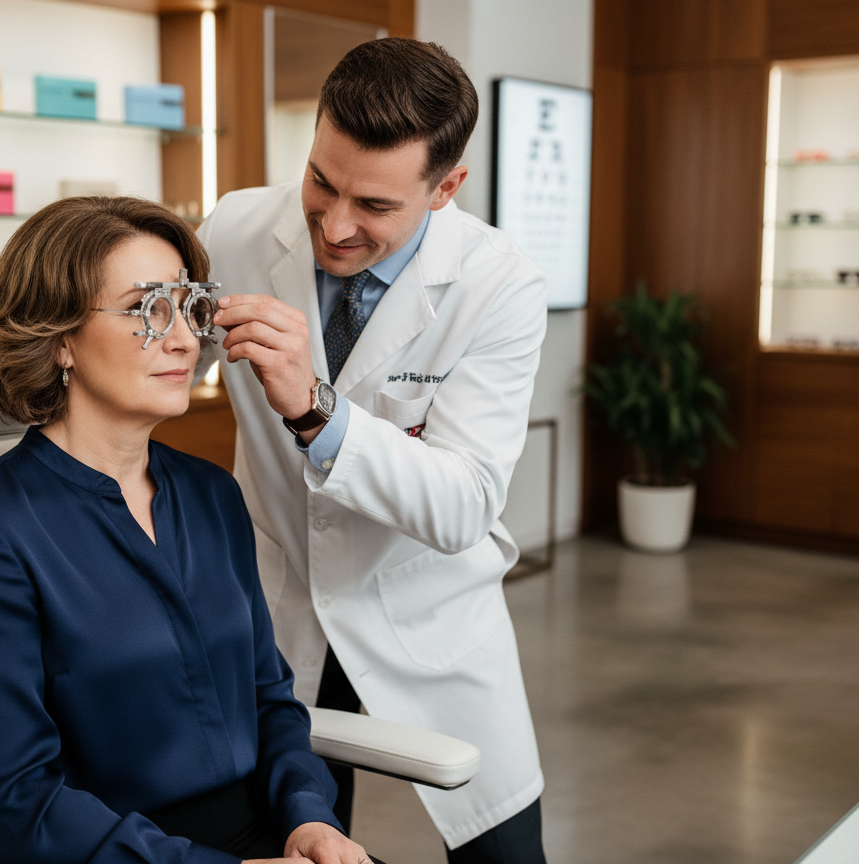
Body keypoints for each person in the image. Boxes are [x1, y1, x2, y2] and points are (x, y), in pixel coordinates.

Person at [0, 196, 381, 864]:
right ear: (60, 340)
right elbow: (17, 800)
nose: (186, 340)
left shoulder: (212, 493)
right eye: (145, 309)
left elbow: (270, 701)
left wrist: (311, 822)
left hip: (265, 834)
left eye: (190, 307)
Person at [197, 38, 548, 864]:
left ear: (447, 186)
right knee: (306, 838)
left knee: (505, 854)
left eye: (377, 207)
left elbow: (463, 505)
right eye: (322, 180)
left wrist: (319, 413)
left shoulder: (499, 285)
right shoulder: (239, 227)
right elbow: (161, 357)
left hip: (428, 613)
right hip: (280, 607)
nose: (335, 224)